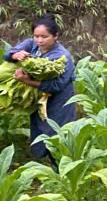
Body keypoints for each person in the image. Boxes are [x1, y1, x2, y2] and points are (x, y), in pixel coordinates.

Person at [4, 16, 76, 161]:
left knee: (57, 131)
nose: (40, 40)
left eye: (44, 36)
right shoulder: (31, 45)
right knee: (39, 129)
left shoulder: (62, 56)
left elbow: (57, 85)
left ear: (55, 36)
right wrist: (15, 54)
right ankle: (44, 166)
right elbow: (7, 54)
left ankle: (62, 170)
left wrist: (26, 80)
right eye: (36, 36)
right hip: (40, 98)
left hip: (60, 100)